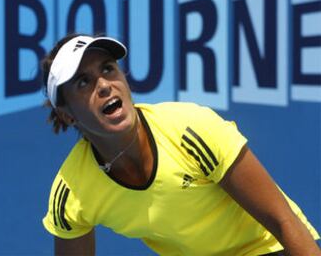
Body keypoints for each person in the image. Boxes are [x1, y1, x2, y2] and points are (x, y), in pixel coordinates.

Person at [41, 33, 320, 255]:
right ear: (66, 114)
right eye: (83, 82)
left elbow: (285, 223)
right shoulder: (71, 193)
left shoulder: (191, 129)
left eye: (108, 68)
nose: (104, 85)